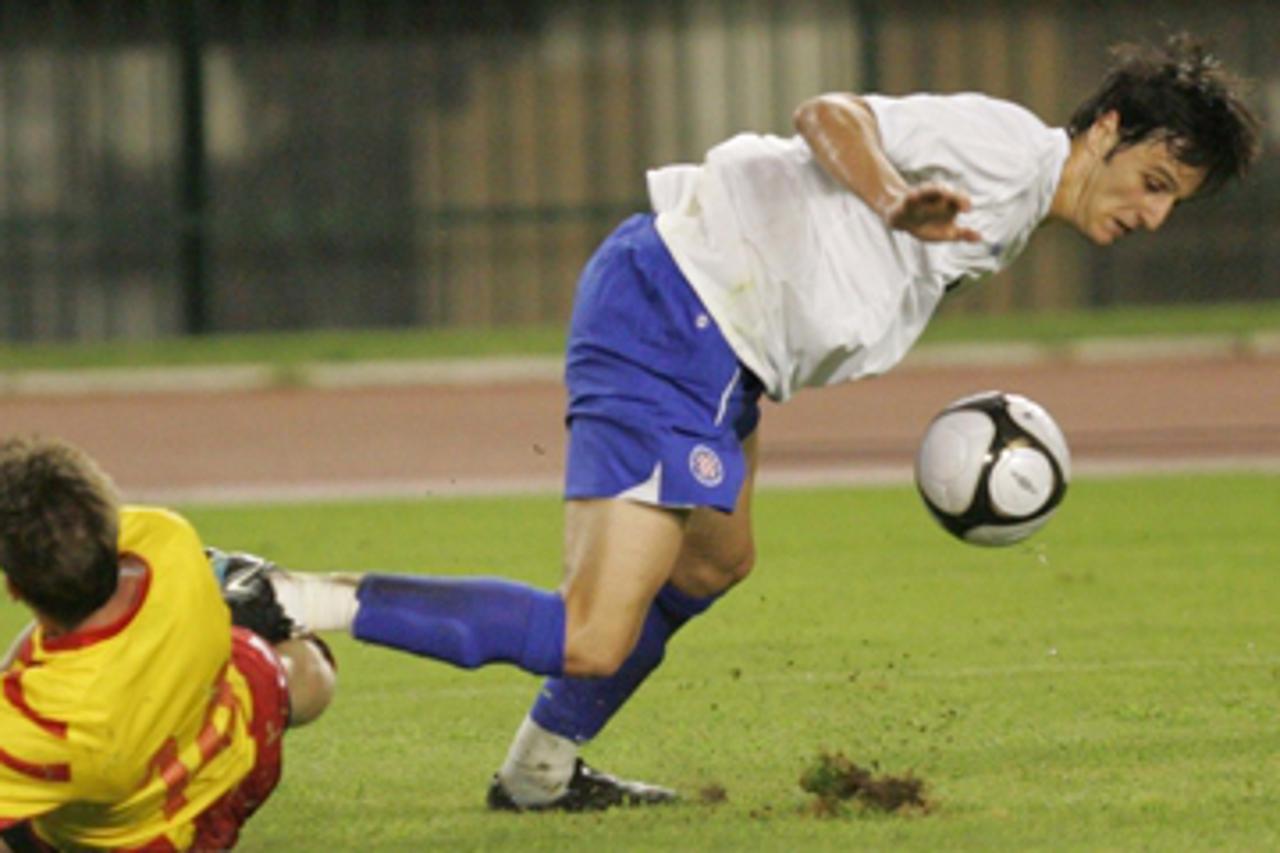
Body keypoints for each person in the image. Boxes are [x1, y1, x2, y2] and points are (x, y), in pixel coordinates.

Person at [195, 32, 1262, 813]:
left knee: (712, 564)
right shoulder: (1009, 151)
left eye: (1176, 201)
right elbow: (826, 117)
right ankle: (279, 589)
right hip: (679, 316)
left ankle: (538, 771)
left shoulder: (1021, 204)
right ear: (1107, 129)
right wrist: (892, 198)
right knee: (590, 628)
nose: (1151, 214)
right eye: (1152, 181)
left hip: (716, 347)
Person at [0, 436, 337, 851]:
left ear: (14, 588)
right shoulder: (164, 540)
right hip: (241, 753)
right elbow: (74, 528)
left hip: (155, 839)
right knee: (298, 666)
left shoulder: (41, 721)